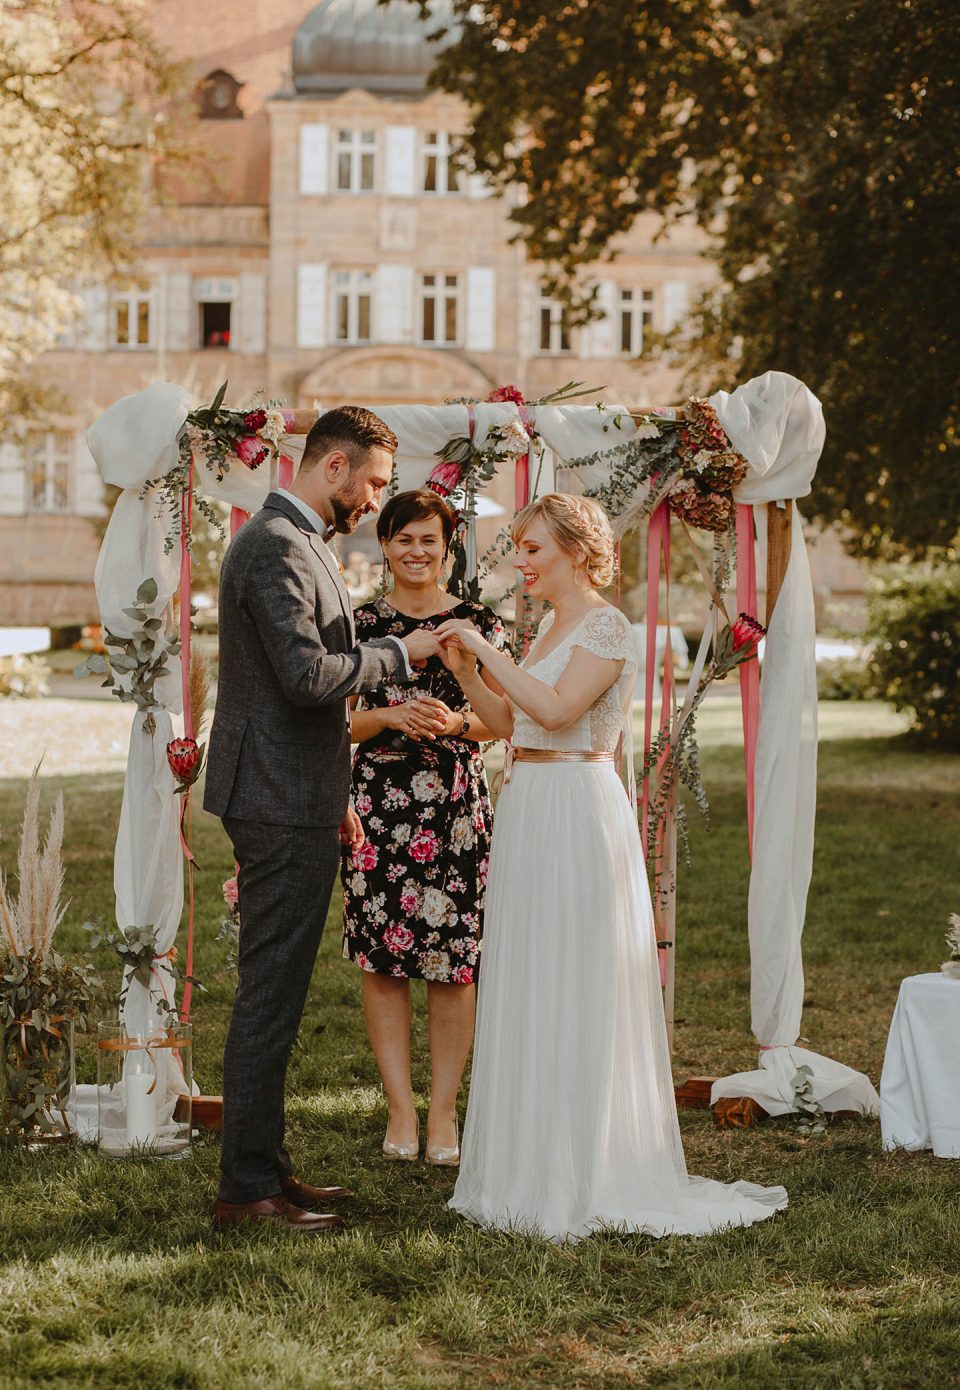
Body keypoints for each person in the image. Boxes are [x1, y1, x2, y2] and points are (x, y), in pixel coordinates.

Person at [435, 493, 787, 1240]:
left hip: (575, 805)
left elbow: (560, 712)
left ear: (574, 550)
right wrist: (468, 674)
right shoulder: (547, 628)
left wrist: (488, 649)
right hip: (531, 801)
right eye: (520, 550)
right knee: (532, 973)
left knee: (575, 975)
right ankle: (526, 1166)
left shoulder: (605, 625)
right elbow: (509, 723)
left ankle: (585, 1167)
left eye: (532, 549)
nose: (520, 562)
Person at [203, 406, 442, 1234]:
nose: (377, 500)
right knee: (269, 994)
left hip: (295, 790)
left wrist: (334, 793)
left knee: (280, 989)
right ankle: (245, 1193)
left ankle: (265, 1167)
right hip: (273, 797)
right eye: (373, 482)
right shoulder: (274, 545)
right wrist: (406, 654)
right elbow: (308, 678)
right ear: (332, 467)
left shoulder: (297, 541)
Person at [342, 489, 505, 1165]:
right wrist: (385, 718)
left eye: (429, 540)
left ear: (449, 547)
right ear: (384, 544)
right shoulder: (357, 623)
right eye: (403, 538)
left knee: (453, 964)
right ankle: (400, 1110)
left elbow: (505, 720)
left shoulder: (477, 623)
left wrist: (455, 722)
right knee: (383, 959)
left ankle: (443, 1114)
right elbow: (330, 723)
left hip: (456, 810)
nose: (416, 551)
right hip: (379, 806)